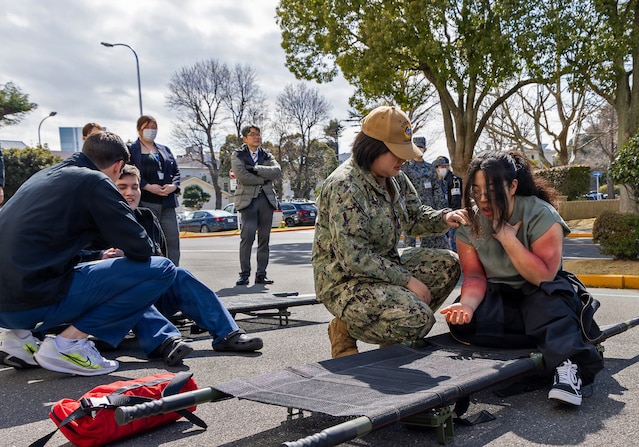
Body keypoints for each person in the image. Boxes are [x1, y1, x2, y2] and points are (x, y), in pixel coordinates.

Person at [0, 132, 190, 376]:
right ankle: (69, 344)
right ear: (118, 166)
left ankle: (19, 340)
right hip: (29, 304)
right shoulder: (95, 181)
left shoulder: (44, 175)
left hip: (6, 309)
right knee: (161, 269)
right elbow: (141, 247)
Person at [439, 150, 604, 406]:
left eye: (492, 191)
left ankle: (567, 366)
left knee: (550, 304)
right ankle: (548, 339)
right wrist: (467, 305)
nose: (483, 200)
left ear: (513, 186)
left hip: (540, 292)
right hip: (500, 296)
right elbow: (474, 275)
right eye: (476, 191)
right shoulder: (470, 221)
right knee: (464, 325)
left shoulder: (541, 213)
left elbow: (544, 276)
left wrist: (509, 240)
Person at [312, 105, 464, 358]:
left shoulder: (394, 177)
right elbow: (355, 258)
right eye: (397, 153)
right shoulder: (345, 186)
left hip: (384, 268)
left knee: (448, 264)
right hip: (346, 281)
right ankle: (345, 327)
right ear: (373, 148)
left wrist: (446, 217)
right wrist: (407, 281)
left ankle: (392, 338)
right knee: (418, 319)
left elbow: (414, 218)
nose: (404, 159)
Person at [90, 164, 262, 352]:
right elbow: (76, 264)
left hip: (149, 297)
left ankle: (228, 334)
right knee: (131, 285)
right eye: (122, 187)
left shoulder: (147, 218)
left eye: (135, 187)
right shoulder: (93, 221)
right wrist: (101, 256)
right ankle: (166, 342)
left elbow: (160, 262)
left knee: (179, 275)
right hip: (109, 305)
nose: (130, 193)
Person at [231, 125, 282, 286]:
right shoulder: (238, 155)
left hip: (266, 200)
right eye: (252, 134)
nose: (256, 137)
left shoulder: (266, 155)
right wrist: (263, 179)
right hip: (248, 201)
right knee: (247, 238)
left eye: (258, 134)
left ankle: (261, 274)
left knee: (264, 239)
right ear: (245, 138)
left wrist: (255, 169)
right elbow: (242, 176)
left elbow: (276, 171)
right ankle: (244, 274)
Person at [129, 115, 181, 266]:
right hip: (146, 202)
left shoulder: (165, 149)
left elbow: (176, 172)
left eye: (154, 127)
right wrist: (147, 186)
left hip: (167, 202)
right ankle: (153, 272)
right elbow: (128, 172)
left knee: (172, 240)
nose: (151, 131)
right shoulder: (131, 150)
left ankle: (173, 271)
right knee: (150, 240)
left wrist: (174, 186)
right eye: (147, 127)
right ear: (139, 130)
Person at [401, 137, 449, 249]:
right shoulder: (405, 168)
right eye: (416, 147)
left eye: (421, 147)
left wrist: (440, 209)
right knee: (409, 244)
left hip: (429, 209)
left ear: (425, 149)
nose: (419, 149)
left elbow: (436, 188)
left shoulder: (430, 168)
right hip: (410, 209)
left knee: (430, 241)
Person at [434, 156, 463, 251]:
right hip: (441, 215)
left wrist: (453, 214)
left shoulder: (454, 181)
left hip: (452, 214)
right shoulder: (438, 181)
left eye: (444, 167)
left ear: (448, 167)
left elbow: (456, 200)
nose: (441, 169)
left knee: (453, 243)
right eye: (440, 167)